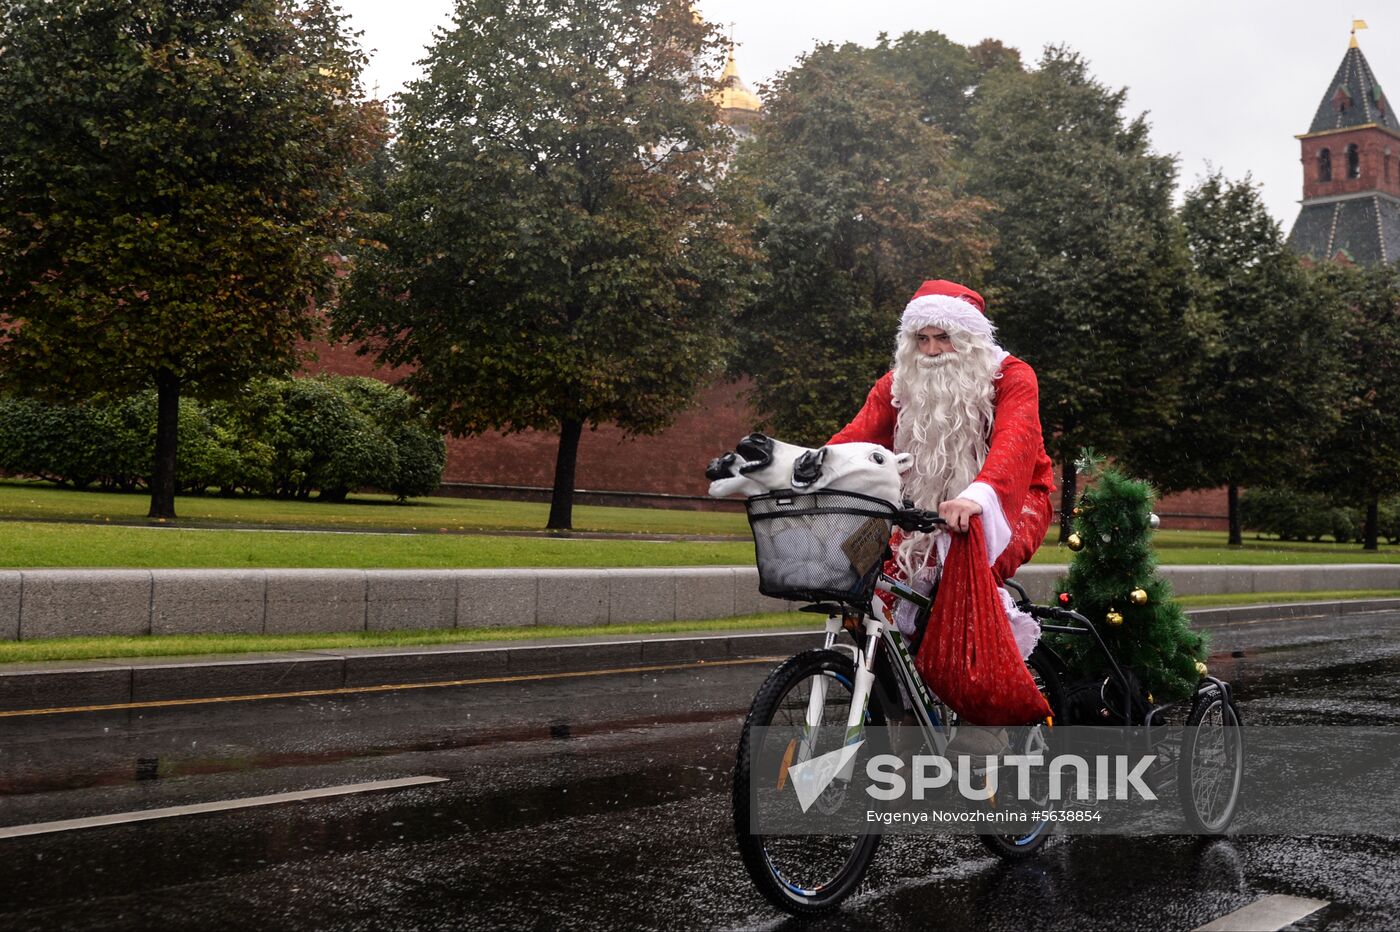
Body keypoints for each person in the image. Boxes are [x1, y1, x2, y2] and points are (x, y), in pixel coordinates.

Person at [829, 279, 1055, 656]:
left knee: (965, 574)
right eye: (922, 339)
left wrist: (977, 497)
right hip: (922, 509)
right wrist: (801, 471)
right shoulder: (899, 383)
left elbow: (1013, 447)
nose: (932, 350)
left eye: (943, 337)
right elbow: (854, 439)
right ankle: (898, 686)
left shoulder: (1013, 376)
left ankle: (976, 680)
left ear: (968, 338)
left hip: (1010, 499)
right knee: (871, 576)